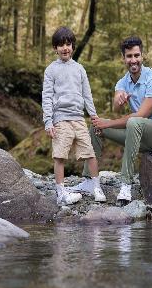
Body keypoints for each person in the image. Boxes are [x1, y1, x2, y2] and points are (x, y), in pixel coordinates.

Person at [78, 35, 152, 204]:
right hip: (138, 135)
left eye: (136, 55)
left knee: (133, 121)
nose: (133, 60)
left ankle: (126, 184)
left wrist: (108, 123)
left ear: (142, 56)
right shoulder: (122, 82)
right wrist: (118, 100)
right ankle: (89, 180)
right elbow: (116, 108)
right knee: (96, 126)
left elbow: (142, 114)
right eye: (129, 56)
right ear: (123, 58)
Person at [42, 26, 106, 205]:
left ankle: (96, 187)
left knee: (90, 153)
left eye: (68, 44)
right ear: (55, 48)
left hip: (78, 118)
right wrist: (48, 121)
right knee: (60, 155)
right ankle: (61, 192)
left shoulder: (79, 69)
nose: (65, 48)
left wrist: (93, 116)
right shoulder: (51, 70)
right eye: (61, 45)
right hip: (60, 119)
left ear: (72, 46)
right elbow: (47, 96)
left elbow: (87, 95)